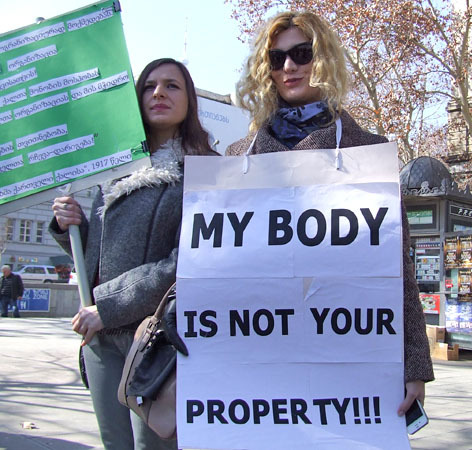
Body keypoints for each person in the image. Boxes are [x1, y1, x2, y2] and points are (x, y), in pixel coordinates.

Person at [227, 11, 434, 415]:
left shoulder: (367, 152)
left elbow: (396, 269)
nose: (289, 66)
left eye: (302, 54)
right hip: (258, 356)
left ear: (323, 58)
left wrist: (414, 365)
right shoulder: (237, 158)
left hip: (346, 356)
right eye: (276, 58)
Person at [50, 58, 218, 450]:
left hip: (160, 342)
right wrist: (71, 227)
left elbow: (190, 260)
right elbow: (97, 259)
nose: (159, 93)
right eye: (149, 86)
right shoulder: (112, 170)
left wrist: (108, 307)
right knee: (114, 444)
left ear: (189, 101)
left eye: (172, 86)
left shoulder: (206, 169)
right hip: (102, 339)